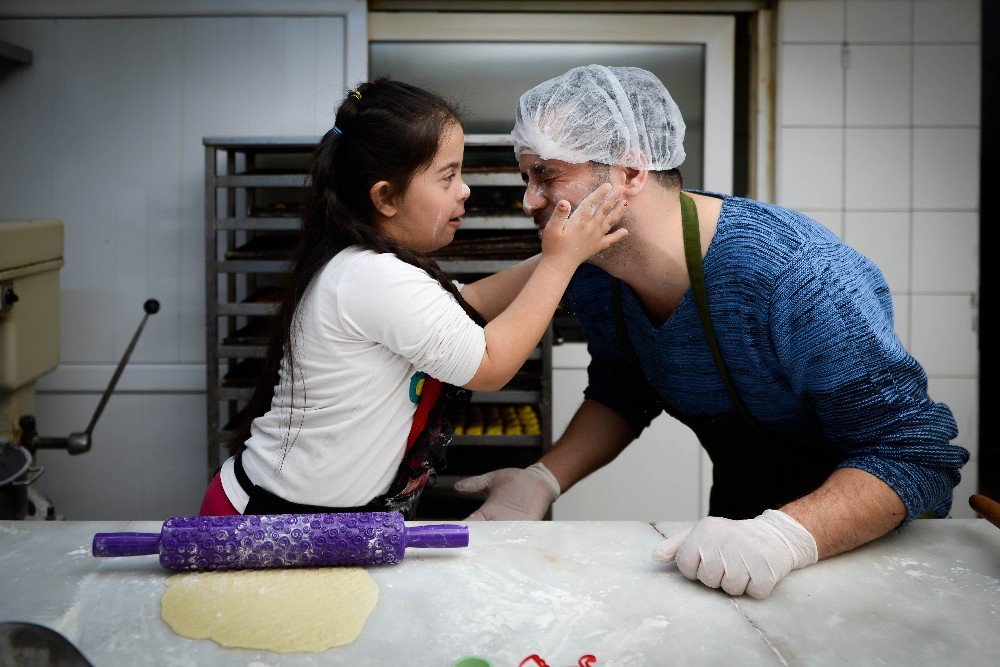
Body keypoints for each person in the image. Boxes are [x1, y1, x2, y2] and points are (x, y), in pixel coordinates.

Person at [455, 64, 970, 599]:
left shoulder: (795, 275)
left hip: (864, 542)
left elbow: (914, 453)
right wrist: (542, 478)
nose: (530, 202)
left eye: (548, 175)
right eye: (526, 178)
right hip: (736, 537)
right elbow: (623, 392)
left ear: (631, 171)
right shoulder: (595, 273)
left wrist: (785, 536)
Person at [199, 78, 627, 520]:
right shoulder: (371, 276)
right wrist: (558, 263)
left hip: (310, 514)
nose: (464, 190)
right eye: (448, 177)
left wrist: (568, 253)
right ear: (385, 197)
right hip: (264, 516)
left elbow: (468, 303)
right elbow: (490, 365)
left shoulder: (374, 267)